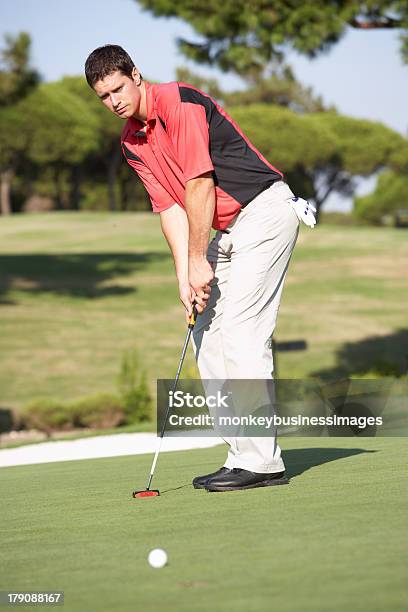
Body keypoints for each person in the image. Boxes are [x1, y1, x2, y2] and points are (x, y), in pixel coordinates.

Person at [85, 44, 316, 493]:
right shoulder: (133, 142)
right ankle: (241, 453)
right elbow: (170, 207)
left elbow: (199, 184)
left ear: (136, 74)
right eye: (103, 96)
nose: (113, 101)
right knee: (204, 331)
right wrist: (183, 276)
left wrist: (197, 260)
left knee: (243, 335)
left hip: (264, 212)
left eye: (117, 88)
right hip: (225, 231)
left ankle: (264, 462)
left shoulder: (180, 103)